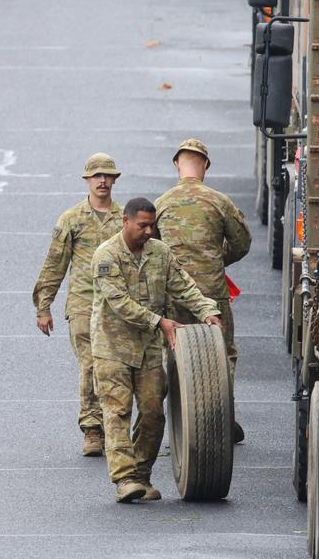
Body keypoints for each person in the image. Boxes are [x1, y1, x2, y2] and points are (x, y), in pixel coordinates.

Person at [90, 198, 222, 503]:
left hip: (148, 350)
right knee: (117, 413)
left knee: (153, 413)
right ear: (125, 221)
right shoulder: (106, 256)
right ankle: (124, 479)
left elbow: (183, 286)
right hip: (112, 348)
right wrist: (159, 321)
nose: (149, 231)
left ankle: (141, 474)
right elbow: (119, 303)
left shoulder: (160, 253)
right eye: (142, 225)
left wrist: (206, 310)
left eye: (152, 225)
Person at [154, 138, 252, 443]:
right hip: (212, 295)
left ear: (176, 164)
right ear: (206, 166)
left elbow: (150, 251)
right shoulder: (219, 202)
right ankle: (221, 420)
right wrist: (215, 260)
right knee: (223, 356)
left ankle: (155, 423)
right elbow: (242, 243)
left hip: (173, 296)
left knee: (169, 353)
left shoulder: (161, 203)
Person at [32, 153, 124, 457]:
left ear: (114, 180)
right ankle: (92, 428)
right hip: (83, 303)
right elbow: (55, 263)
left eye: (107, 175)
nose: (102, 180)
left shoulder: (124, 219)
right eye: (96, 175)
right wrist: (44, 306)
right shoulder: (71, 219)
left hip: (118, 304)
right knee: (90, 363)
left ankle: (116, 427)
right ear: (87, 180)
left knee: (117, 367)